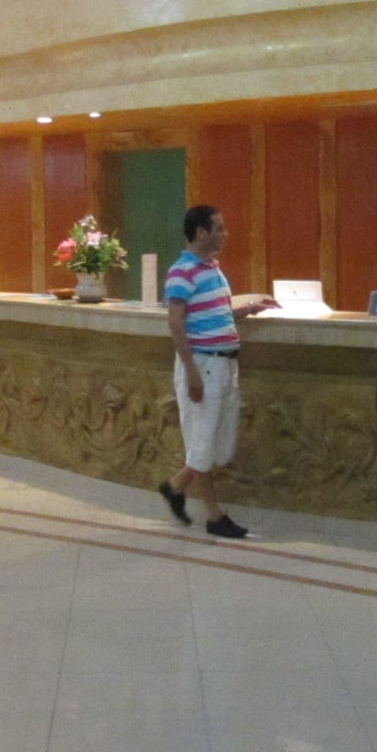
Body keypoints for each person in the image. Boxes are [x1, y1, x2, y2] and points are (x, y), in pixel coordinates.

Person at [157, 205, 276, 539]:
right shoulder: (182, 271)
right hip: (203, 365)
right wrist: (192, 373)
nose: (225, 234)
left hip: (224, 364)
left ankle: (175, 486)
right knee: (204, 439)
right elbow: (175, 324)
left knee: (214, 440)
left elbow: (217, 313)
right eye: (219, 228)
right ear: (201, 232)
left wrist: (249, 308)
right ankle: (213, 515)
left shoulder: (212, 270)